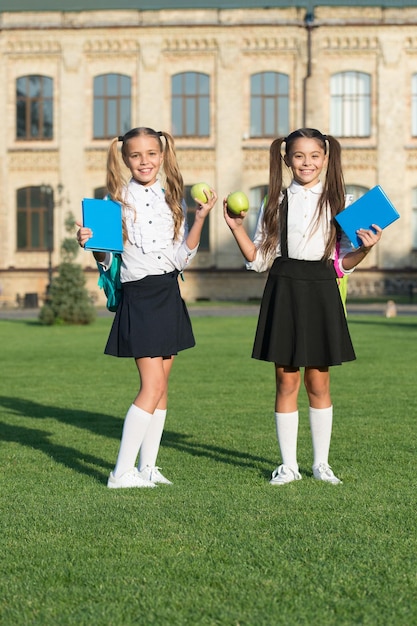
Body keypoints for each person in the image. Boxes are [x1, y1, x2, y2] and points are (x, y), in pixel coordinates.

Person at [223, 128, 381, 485]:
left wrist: (367, 249)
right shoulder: (274, 201)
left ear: (325, 159)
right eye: (299, 156)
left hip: (322, 286)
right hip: (284, 287)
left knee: (319, 381)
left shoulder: (340, 201)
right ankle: (289, 465)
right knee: (285, 380)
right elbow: (260, 258)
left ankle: (321, 464)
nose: (307, 163)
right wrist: (236, 228)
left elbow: (343, 262)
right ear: (287, 159)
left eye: (314, 156)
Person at [77, 127, 217, 489]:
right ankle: (120, 473)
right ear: (125, 159)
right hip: (139, 296)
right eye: (136, 155)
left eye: (151, 154)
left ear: (162, 155)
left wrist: (200, 218)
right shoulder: (114, 204)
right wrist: (92, 244)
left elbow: (181, 258)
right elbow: (108, 261)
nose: (145, 161)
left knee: (163, 387)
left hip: (168, 291)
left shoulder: (172, 198)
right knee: (151, 386)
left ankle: (147, 467)